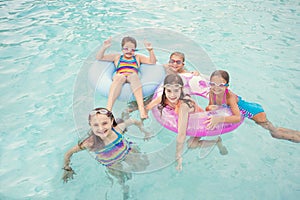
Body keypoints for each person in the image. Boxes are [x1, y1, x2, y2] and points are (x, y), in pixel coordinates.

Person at [146, 74, 228, 171]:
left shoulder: (184, 106)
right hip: (188, 117)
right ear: (164, 89)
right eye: (169, 91)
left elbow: (182, 134)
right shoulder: (164, 98)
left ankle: (216, 141)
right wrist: (144, 123)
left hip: (200, 122)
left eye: (176, 90)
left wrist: (178, 155)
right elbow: (148, 107)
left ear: (181, 90)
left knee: (191, 145)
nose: (172, 95)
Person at [62, 108, 150, 198]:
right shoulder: (90, 142)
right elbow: (68, 153)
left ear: (111, 121)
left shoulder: (118, 129)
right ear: (91, 126)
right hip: (111, 163)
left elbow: (134, 121)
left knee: (143, 166)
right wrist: (67, 168)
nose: (101, 128)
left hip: (127, 152)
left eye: (104, 123)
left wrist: (145, 132)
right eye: (96, 125)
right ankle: (125, 191)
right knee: (121, 180)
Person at [205, 70, 300, 143]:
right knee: (275, 129)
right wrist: (212, 108)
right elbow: (209, 107)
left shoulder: (230, 97)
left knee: (275, 133)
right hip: (250, 107)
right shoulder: (211, 92)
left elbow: (237, 118)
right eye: (213, 84)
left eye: (220, 85)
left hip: (255, 113)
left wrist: (218, 119)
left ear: (227, 86)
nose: (216, 87)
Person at [96, 36, 157, 119]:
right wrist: (104, 47)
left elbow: (152, 62)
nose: (129, 51)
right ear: (122, 48)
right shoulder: (117, 57)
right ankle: (109, 109)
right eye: (126, 48)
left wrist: (150, 50)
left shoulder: (137, 57)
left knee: (134, 76)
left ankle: (141, 108)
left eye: (132, 49)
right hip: (120, 75)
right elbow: (99, 57)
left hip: (132, 76)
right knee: (119, 77)